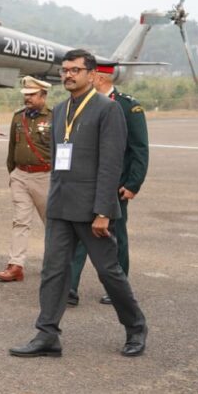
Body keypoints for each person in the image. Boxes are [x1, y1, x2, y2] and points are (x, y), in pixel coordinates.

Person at [10, 49, 147, 358]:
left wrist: (103, 211)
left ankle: (136, 327)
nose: (68, 74)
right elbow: (60, 161)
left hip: (91, 209)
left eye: (75, 70)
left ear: (90, 74)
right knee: (53, 271)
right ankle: (47, 334)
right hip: (60, 205)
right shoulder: (59, 110)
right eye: (65, 70)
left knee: (108, 272)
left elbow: (111, 164)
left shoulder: (107, 110)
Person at [67, 60, 149, 305]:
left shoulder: (127, 106)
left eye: (88, 75)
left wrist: (133, 184)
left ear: (99, 78)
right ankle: (69, 288)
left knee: (115, 238)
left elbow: (139, 148)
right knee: (79, 235)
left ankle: (117, 289)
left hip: (115, 186)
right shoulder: (80, 105)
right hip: (84, 184)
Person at [0, 76, 54, 283]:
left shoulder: (55, 118)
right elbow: (12, 147)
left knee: (52, 223)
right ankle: (16, 265)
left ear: (43, 96)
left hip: (45, 176)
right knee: (20, 221)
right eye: (25, 95)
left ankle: (53, 264)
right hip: (20, 175)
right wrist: (13, 173)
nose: (27, 99)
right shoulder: (18, 117)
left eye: (32, 95)